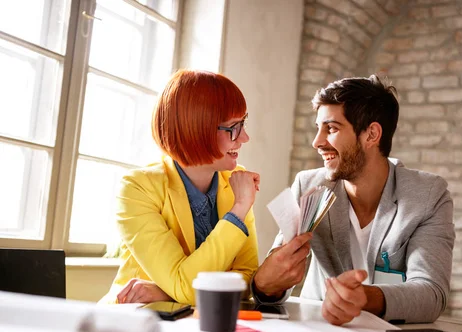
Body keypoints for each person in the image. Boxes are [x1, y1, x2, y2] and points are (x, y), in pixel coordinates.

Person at [253, 75, 455, 325]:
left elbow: (431, 293)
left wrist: (365, 298)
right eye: (318, 128)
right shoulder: (308, 186)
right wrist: (263, 285)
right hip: (318, 331)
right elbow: (274, 284)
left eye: (332, 128)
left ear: (371, 134)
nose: (317, 142)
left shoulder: (427, 195)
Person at [100, 70, 311, 305]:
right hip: (135, 323)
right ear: (196, 129)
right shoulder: (137, 189)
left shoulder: (234, 181)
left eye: (243, 124)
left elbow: (246, 278)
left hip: (195, 322)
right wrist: (239, 209)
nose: (244, 137)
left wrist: (168, 292)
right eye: (233, 128)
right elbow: (189, 287)